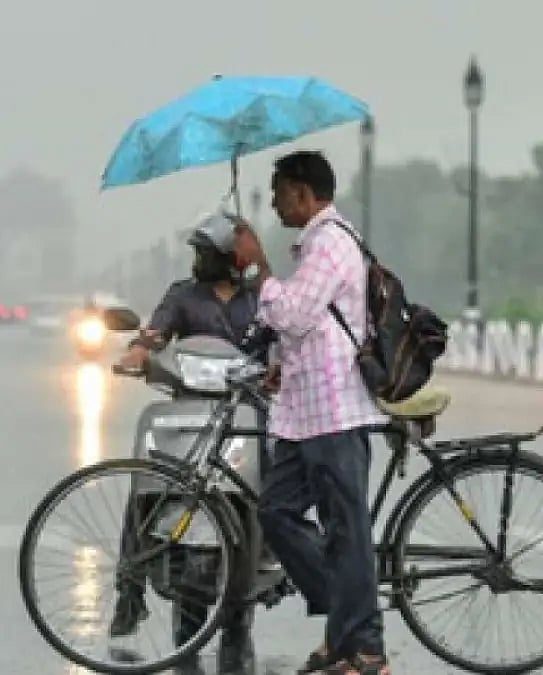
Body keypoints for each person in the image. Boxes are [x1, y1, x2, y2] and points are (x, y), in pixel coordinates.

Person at [234, 150, 392, 675]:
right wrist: (280, 361)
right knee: (276, 511)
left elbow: (295, 314)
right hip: (304, 411)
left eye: (280, 192)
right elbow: (309, 325)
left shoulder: (329, 242)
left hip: (336, 410)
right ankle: (343, 622)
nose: (276, 203)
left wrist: (258, 268)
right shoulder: (313, 246)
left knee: (347, 530)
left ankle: (366, 648)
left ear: (304, 193)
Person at [110, 210, 263, 672]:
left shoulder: (261, 300)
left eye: (207, 253)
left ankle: (247, 604)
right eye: (196, 253)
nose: (198, 261)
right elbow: (154, 332)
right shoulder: (182, 296)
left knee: (261, 501)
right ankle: (130, 586)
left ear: (231, 258)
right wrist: (139, 351)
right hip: (187, 414)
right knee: (145, 490)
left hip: (243, 417)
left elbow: (283, 343)